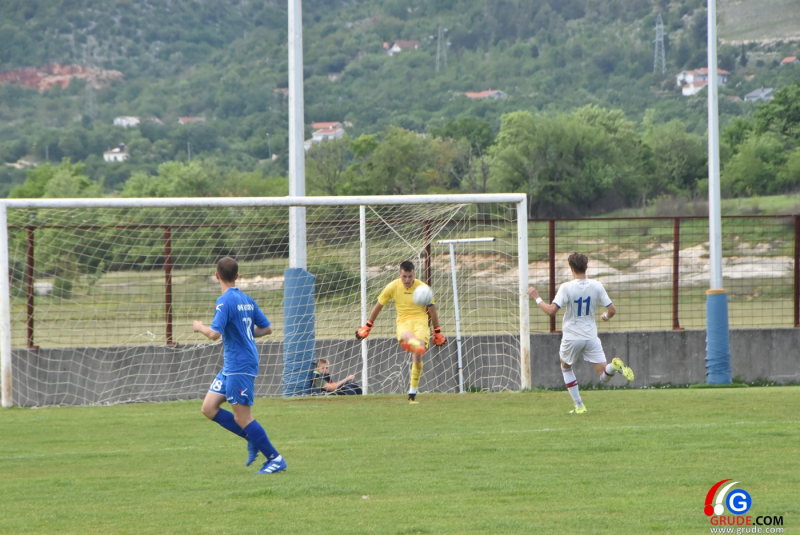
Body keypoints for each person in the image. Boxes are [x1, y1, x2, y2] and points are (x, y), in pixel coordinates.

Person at [193, 256, 287, 474]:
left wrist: (199, 326)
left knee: (242, 416)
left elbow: (214, 334)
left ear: (217, 276)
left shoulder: (224, 301)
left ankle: (275, 459)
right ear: (237, 276)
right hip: (233, 364)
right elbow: (267, 329)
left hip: (240, 365)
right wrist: (241, 333)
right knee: (209, 408)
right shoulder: (247, 299)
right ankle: (253, 437)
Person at [528, 252, 634, 414]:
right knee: (603, 376)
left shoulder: (566, 287)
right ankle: (614, 366)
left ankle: (579, 406)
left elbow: (551, 311)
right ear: (586, 267)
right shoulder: (597, 285)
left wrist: (536, 298)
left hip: (572, 336)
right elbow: (612, 310)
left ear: (571, 268)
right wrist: (606, 317)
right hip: (591, 336)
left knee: (566, 367)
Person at [355, 260, 446, 404]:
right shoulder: (392, 287)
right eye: (404, 276)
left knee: (418, 353)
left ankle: (412, 392)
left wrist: (437, 332)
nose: (407, 280)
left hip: (421, 321)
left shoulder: (423, 288)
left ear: (414, 274)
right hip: (403, 321)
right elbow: (379, 306)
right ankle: (413, 342)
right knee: (408, 337)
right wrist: (367, 326)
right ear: (399, 274)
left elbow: (432, 311)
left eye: (410, 276)